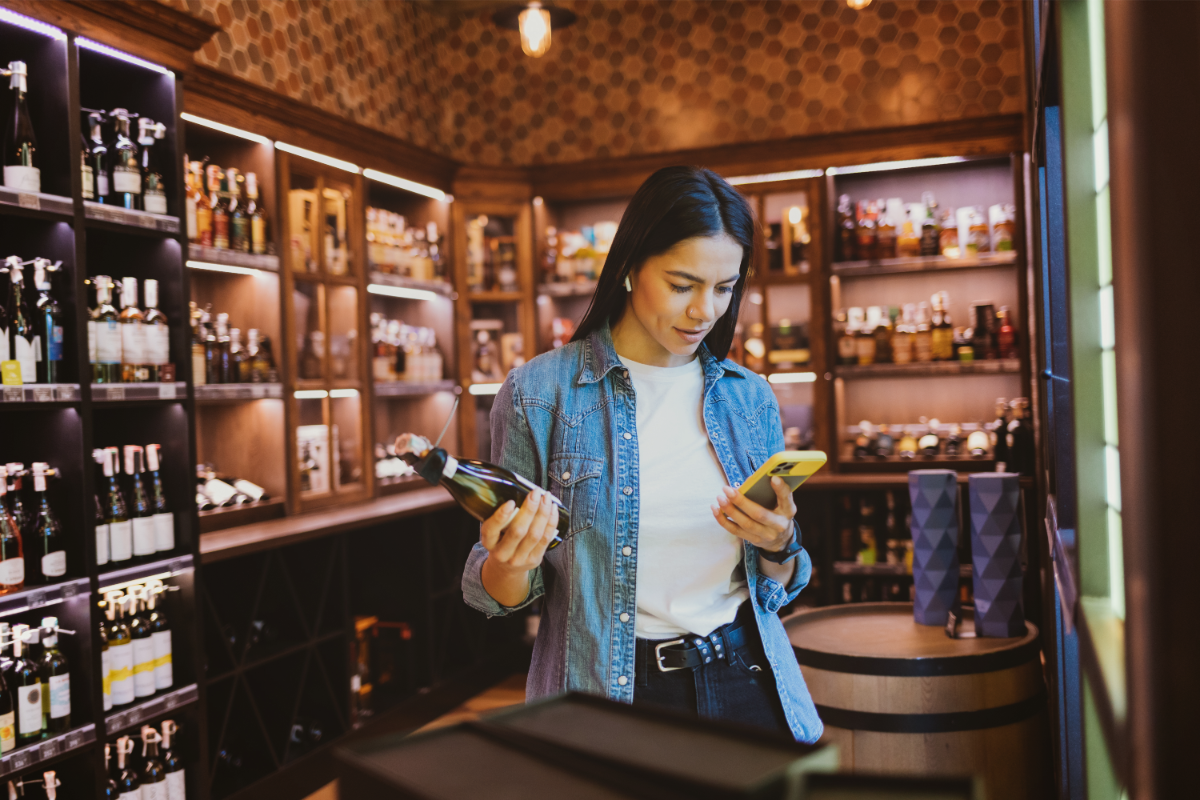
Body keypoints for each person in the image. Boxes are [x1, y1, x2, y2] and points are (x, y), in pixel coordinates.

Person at [461, 165, 822, 742]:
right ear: (629, 267)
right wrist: (510, 560)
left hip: (745, 682)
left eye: (725, 288)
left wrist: (778, 542)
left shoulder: (749, 398)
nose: (706, 311)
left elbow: (775, 586)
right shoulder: (540, 394)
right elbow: (493, 593)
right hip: (609, 697)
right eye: (683, 285)